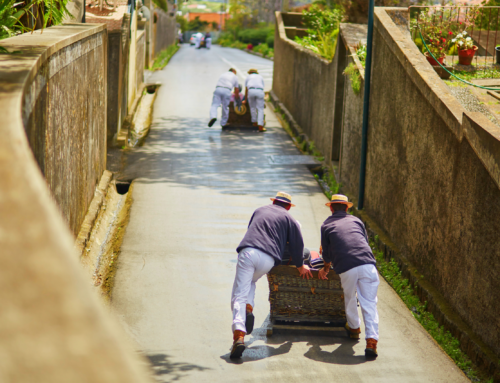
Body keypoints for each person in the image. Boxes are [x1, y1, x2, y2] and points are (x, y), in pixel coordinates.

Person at [230, 192, 313, 359]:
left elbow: (251, 231)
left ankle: (239, 334)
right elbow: (298, 245)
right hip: (268, 259)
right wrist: (300, 266)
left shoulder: (259, 210)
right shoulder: (290, 219)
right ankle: (248, 307)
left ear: (274, 201)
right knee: (252, 281)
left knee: (239, 292)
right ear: (288, 207)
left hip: (249, 252)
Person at [318, 194, 379, 358]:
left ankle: (354, 328)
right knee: (369, 303)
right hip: (368, 264)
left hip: (347, 267)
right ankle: (372, 342)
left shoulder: (326, 225)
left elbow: (326, 253)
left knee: (350, 297)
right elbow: (364, 241)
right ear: (347, 208)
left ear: (331, 208)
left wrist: (325, 269)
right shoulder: (357, 221)